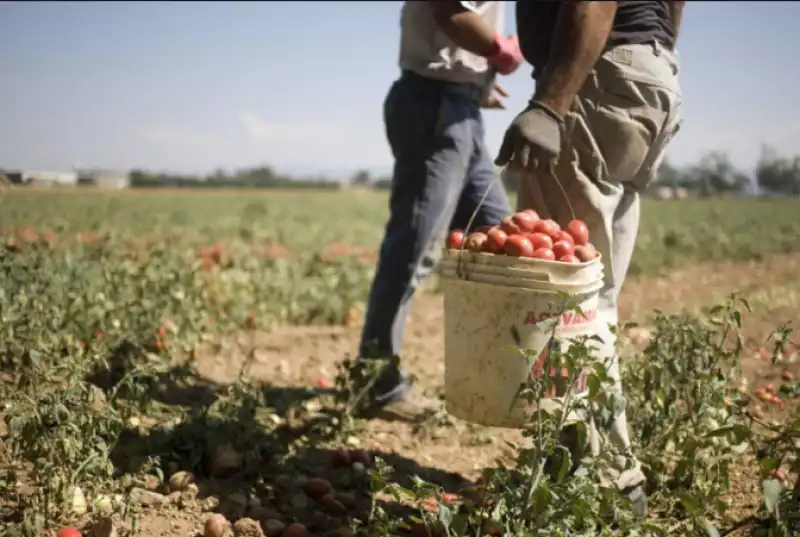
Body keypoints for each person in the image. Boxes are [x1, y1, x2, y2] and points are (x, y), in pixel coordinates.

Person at [495, 0, 686, 517]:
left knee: (568, 300)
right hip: (647, 74)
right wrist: (652, 55)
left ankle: (607, 487)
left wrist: (550, 104)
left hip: (596, 73)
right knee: (593, 296)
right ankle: (578, 467)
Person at [357, 1, 523, 421]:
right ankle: (377, 383)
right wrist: (501, 51)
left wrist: (476, 80)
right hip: (434, 103)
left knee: (498, 238)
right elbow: (450, 11)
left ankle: (497, 377)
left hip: (459, 106)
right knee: (413, 248)